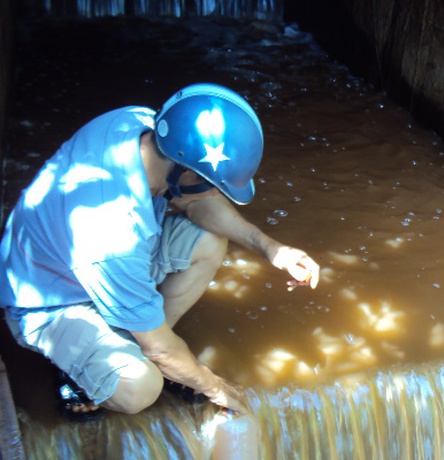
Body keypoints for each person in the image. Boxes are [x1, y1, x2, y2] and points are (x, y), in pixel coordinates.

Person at [0, 83, 320, 420]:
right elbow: (180, 206)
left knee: (207, 242)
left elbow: (196, 203)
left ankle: (145, 342)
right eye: (210, 182)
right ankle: (85, 371)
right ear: (185, 171)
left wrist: (271, 248)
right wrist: (214, 387)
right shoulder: (112, 232)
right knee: (140, 386)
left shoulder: (139, 125)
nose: (212, 191)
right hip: (51, 301)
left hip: (85, 261)